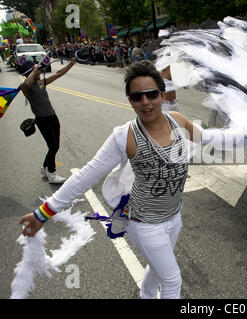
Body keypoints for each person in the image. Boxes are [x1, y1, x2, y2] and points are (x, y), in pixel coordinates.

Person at [18, 60, 205, 299]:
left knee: (157, 270)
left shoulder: (176, 121)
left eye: (151, 94)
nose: (145, 101)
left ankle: (146, 295)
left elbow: (208, 138)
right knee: (172, 280)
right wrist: (43, 212)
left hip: (173, 216)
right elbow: (87, 174)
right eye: (138, 97)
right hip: (145, 222)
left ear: (162, 94)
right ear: (130, 101)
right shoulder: (124, 136)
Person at [19, 58, 78, 183]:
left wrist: (72, 63)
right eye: (37, 70)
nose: (40, 71)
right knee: (53, 146)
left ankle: (45, 167)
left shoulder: (41, 83)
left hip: (52, 117)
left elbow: (58, 74)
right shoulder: (26, 87)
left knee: (55, 146)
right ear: (32, 72)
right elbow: (26, 84)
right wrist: (34, 70)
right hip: (42, 120)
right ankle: (52, 173)